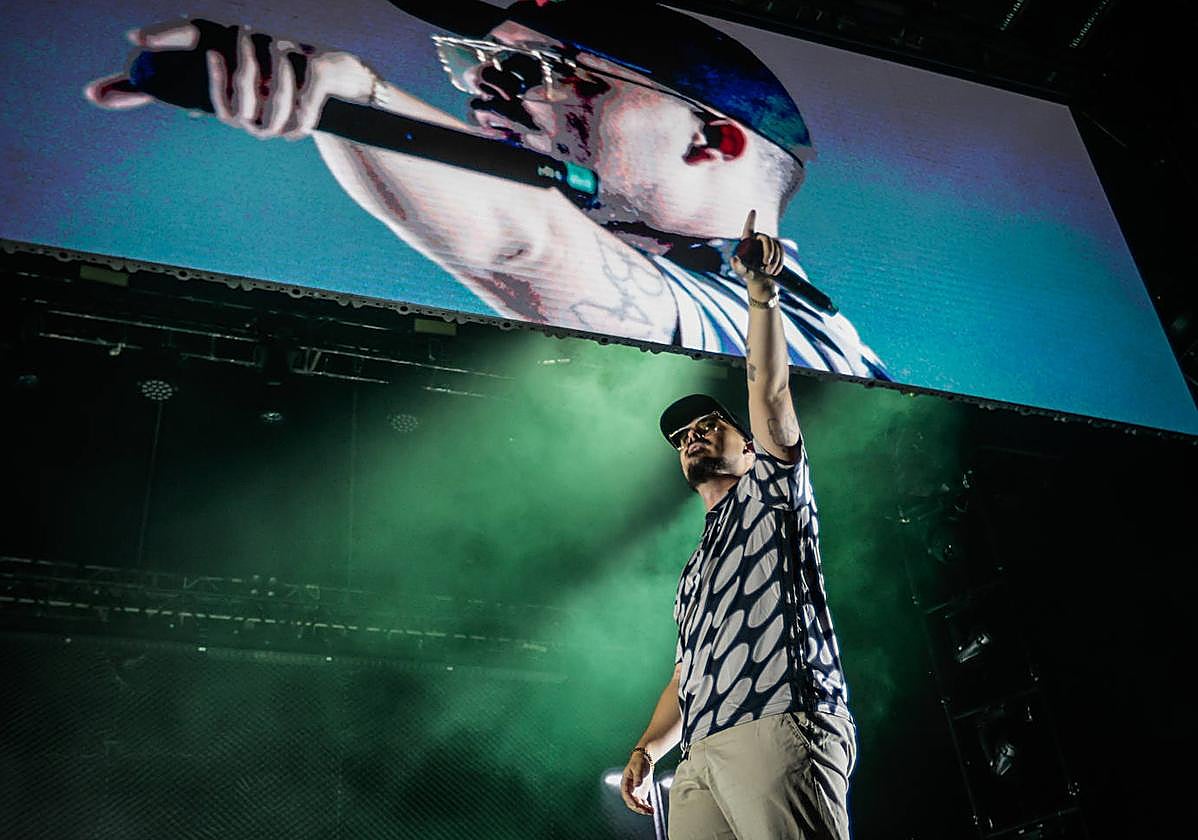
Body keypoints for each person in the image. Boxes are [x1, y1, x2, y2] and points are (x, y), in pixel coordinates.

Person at [84, 0, 888, 379]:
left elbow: (525, 239)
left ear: (711, 138)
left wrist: (352, 100)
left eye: (535, 72)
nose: (481, 95)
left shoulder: (785, 335)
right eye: (476, 65)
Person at [619, 213, 856, 838]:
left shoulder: (772, 491)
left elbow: (772, 397)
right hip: (699, 753)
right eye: (681, 438)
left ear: (749, 447)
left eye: (708, 426)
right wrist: (649, 747)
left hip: (780, 721)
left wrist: (761, 295)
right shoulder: (695, 567)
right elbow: (685, 671)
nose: (692, 437)